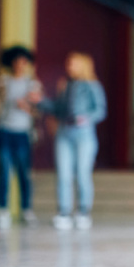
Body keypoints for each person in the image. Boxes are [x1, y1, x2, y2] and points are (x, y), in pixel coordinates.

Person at [34, 52, 107, 230]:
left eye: (72, 63)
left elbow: (100, 110)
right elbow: (58, 109)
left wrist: (86, 117)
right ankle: (64, 212)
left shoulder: (92, 85)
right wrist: (40, 102)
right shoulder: (65, 85)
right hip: (64, 132)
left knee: (83, 173)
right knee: (63, 174)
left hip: (84, 133)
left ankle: (83, 212)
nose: (69, 67)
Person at [0, 46, 43, 229]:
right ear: (11, 63)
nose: (20, 65)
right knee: (4, 172)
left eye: (24, 61)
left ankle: (26, 209)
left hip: (23, 134)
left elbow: (39, 111)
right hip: (5, 131)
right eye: (17, 61)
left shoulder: (33, 84)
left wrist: (27, 107)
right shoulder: (2, 82)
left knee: (23, 173)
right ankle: (2, 210)